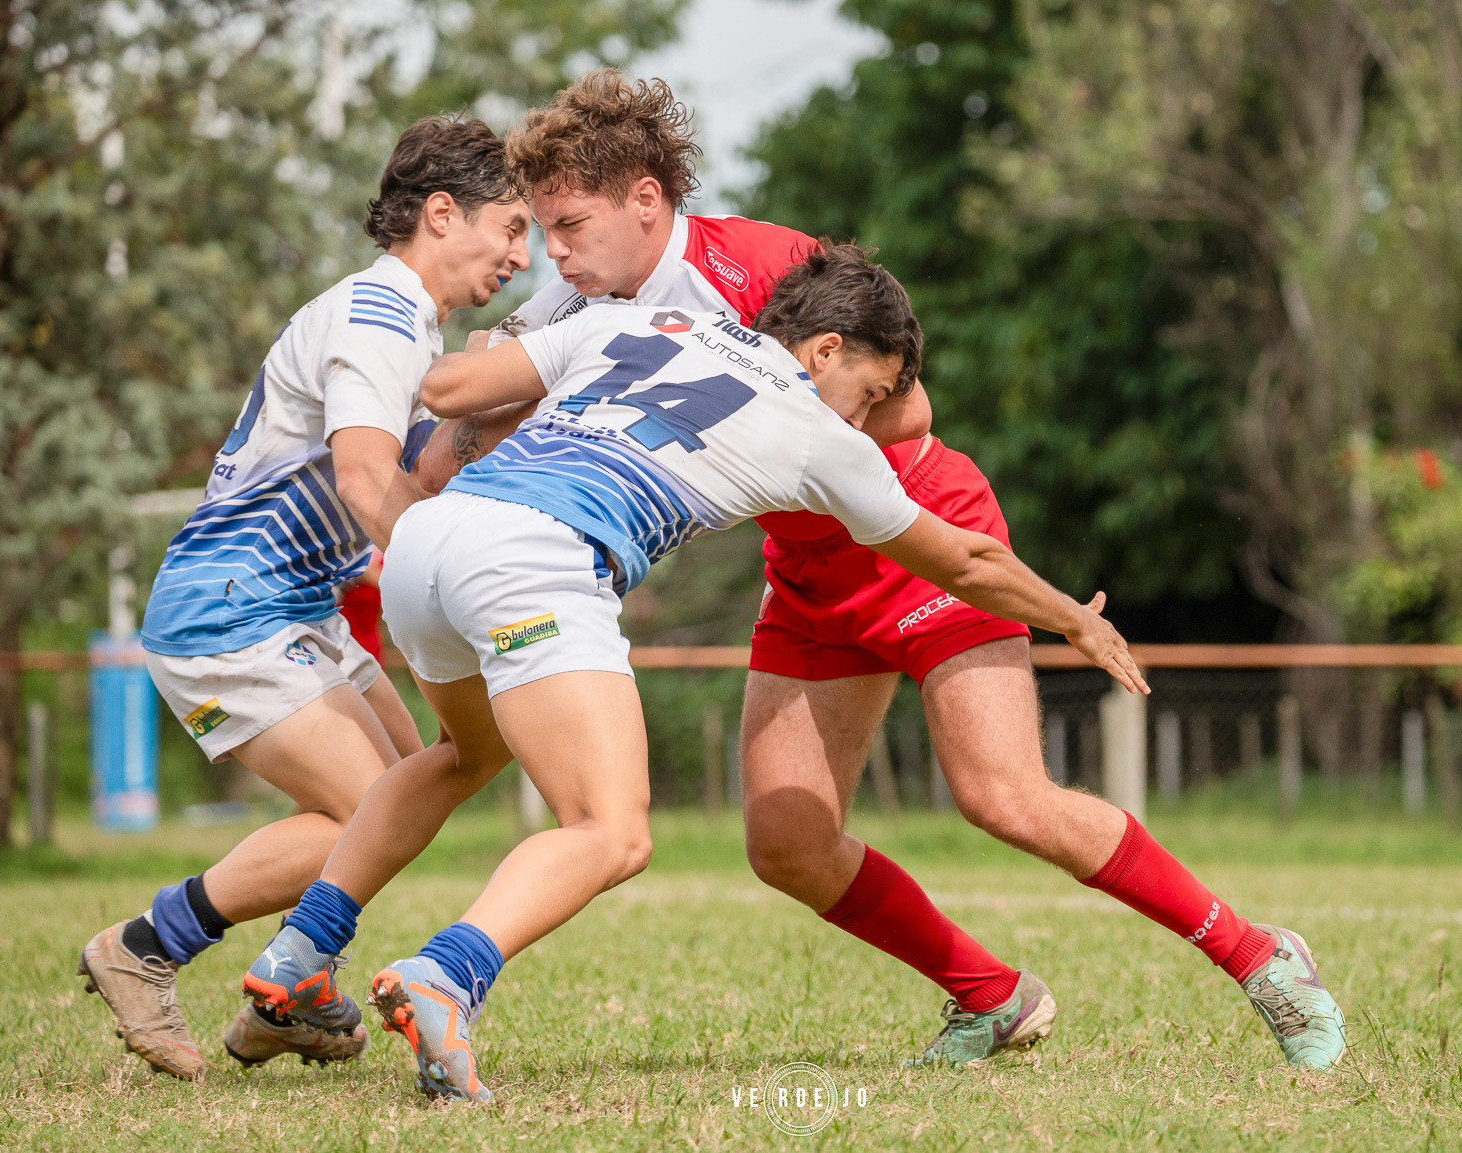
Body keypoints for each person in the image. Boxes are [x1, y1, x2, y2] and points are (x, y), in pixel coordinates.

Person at [413, 71, 1348, 1072]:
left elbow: (903, 408)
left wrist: (783, 426)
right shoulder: (584, 300)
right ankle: (992, 997)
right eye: (543, 231)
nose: (550, 254)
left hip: (923, 534)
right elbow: (471, 411)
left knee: (1003, 796)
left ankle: (1262, 959)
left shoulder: (760, 266)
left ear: (646, 200)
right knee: (786, 846)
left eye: (570, 225)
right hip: (809, 569)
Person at [240, 242, 1149, 1105]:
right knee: (610, 832)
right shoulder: (816, 435)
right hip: (538, 557)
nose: (865, 419)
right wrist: (1071, 615)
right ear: (825, 348)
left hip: (428, 543)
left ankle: (300, 951)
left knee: (458, 755)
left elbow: (446, 387)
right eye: (868, 392)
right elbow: (962, 561)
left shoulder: (642, 321)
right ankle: (446, 976)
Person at [76, 116, 531, 1081]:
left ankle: (295, 990)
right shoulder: (378, 313)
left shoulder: (413, 326)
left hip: (295, 604)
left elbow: (418, 472)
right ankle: (145, 947)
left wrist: (493, 408)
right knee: (369, 808)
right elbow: (369, 484)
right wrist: (462, 590)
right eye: (513, 225)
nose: (523, 254)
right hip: (229, 604)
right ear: (442, 214)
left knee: (419, 783)